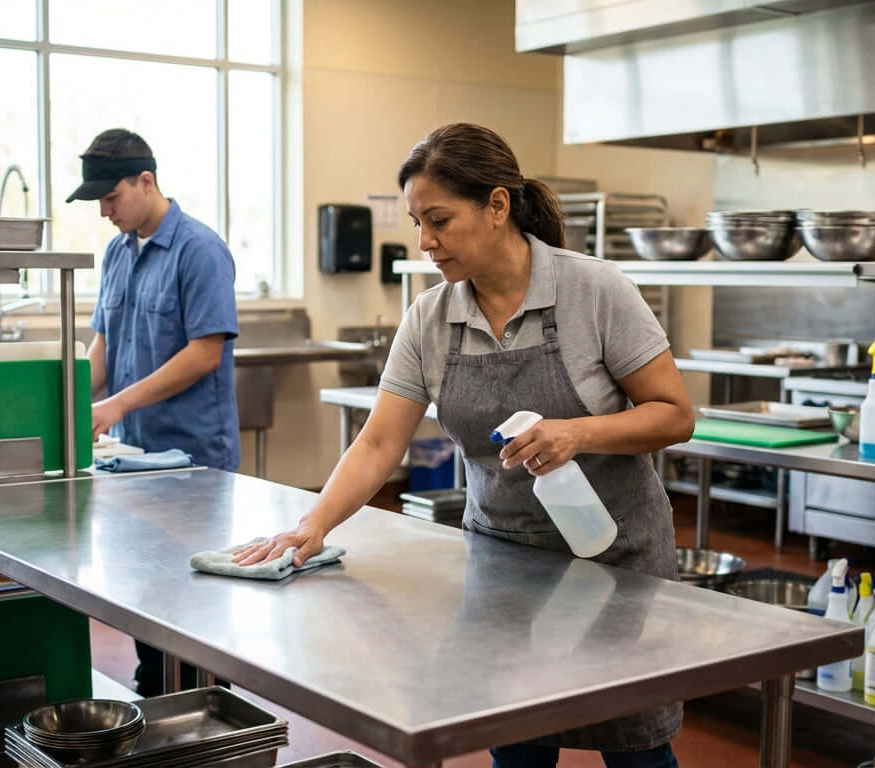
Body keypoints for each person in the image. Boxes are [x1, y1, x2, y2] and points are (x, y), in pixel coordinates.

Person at [234, 123, 693, 768]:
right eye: (419, 223)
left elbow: (674, 415)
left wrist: (577, 431)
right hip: (504, 564)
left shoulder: (594, 291)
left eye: (440, 220)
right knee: (518, 744)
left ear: (498, 206)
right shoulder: (431, 318)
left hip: (613, 560)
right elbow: (377, 444)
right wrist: (311, 527)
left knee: (634, 746)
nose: (425, 242)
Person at [67, 128, 240, 695]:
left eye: (110, 198)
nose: (104, 212)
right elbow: (103, 348)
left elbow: (204, 352)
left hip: (192, 459)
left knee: (197, 603)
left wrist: (115, 404)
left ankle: (209, 709)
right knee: (147, 587)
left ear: (147, 181)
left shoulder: (200, 249)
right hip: (132, 461)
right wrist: (62, 398)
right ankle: (155, 688)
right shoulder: (117, 253)